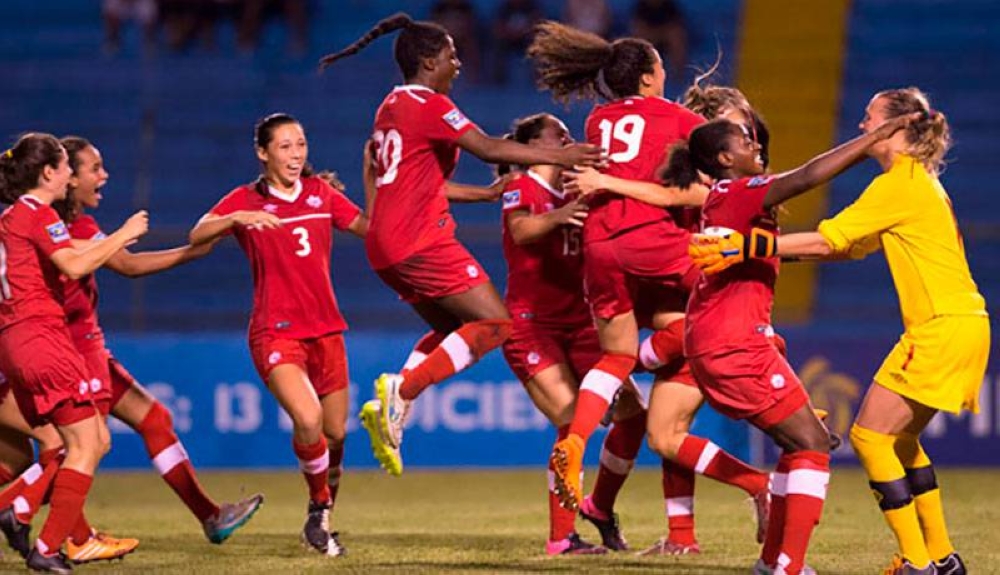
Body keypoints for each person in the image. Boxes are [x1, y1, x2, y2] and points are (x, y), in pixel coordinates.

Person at [699, 88, 985, 575]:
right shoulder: (918, 182)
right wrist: (763, 249)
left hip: (940, 328)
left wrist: (745, 246)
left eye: (869, 118)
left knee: (870, 437)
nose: (860, 127)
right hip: (963, 324)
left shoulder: (899, 184)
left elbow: (828, 237)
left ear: (893, 129)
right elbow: (846, 249)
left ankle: (917, 563)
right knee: (902, 442)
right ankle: (942, 556)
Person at [317, 13, 603, 477]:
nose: (459, 63)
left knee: (459, 332)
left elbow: (418, 182)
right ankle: (402, 391)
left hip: (385, 243)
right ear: (429, 61)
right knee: (496, 323)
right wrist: (559, 154)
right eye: (452, 55)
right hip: (419, 239)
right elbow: (488, 148)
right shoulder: (428, 104)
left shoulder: (390, 105)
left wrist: (485, 195)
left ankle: (398, 403)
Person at [674, 110, 915, 574]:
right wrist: (873, 140)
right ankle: (789, 566)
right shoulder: (740, 192)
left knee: (799, 442)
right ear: (726, 158)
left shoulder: (727, 199)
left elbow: (759, 256)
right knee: (812, 443)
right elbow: (805, 177)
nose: (755, 145)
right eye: (745, 140)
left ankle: (774, 564)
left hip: (729, 339)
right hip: (734, 343)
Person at [0, 136, 263, 557]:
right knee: (75, 445)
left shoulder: (58, 224)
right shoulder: (41, 221)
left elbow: (123, 262)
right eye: (91, 168)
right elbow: (93, 262)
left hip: (72, 348)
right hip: (56, 350)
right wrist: (129, 236)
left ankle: (207, 515)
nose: (102, 176)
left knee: (144, 422)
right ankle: (66, 535)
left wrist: (190, 252)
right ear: (60, 177)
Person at [566, 77, 775, 555]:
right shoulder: (684, 165)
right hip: (683, 307)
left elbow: (681, 200)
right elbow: (667, 197)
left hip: (715, 310)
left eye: (746, 131)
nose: (746, 139)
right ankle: (688, 533)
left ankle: (624, 369)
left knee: (654, 390)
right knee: (665, 435)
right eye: (735, 128)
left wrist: (605, 182)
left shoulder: (731, 181)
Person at [526, 20, 707, 514]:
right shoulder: (677, 117)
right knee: (727, 294)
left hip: (601, 243)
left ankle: (576, 442)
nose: (665, 74)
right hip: (655, 239)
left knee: (616, 356)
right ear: (648, 77)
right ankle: (770, 358)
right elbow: (712, 171)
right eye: (662, 68)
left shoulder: (597, 120)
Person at [189, 113, 367, 557]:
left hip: (326, 328)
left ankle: (319, 516)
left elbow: (369, 229)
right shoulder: (245, 199)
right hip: (275, 331)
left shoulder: (320, 194)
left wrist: (377, 183)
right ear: (263, 153)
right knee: (307, 420)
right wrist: (239, 217)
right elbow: (197, 234)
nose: (295, 154)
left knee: (335, 435)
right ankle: (319, 514)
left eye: (301, 144)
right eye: (285, 146)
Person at [498, 113, 646, 554]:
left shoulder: (577, 188)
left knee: (633, 415)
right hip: (532, 325)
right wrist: (562, 214)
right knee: (570, 420)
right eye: (556, 134)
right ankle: (561, 538)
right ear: (531, 146)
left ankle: (600, 505)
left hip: (583, 323)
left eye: (567, 133)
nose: (568, 139)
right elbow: (522, 230)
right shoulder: (520, 186)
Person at [0, 132, 148, 573]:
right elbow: (74, 264)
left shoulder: (13, 216)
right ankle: (47, 546)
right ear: (48, 172)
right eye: (66, 165)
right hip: (42, 338)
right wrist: (122, 234)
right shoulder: (40, 213)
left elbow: (69, 250)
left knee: (73, 442)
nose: (71, 174)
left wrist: (104, 244)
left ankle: (22, 510)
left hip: (13, 344)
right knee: (89, 442)